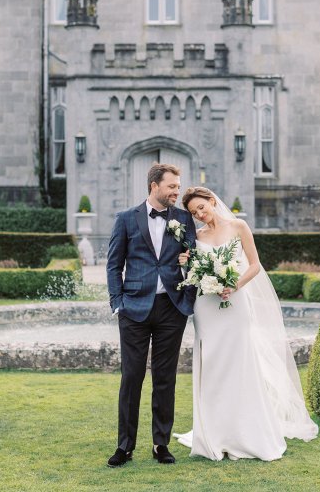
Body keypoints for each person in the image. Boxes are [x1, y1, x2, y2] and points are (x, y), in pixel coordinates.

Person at [174, 186, 318, 461]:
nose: (200, 215)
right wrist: (186, 262)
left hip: (235, 304)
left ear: (212, 201)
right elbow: (192, 274)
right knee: (212, 365)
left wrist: (234, 285)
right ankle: (214, 432)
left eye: (202, 208)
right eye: (194, 213)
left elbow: (254, 265)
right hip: (206, 306)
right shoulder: (196, 236)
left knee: (240, 363)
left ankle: (245, 431)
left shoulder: (239, 226)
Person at [106, 164, 196, 467]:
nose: (176, 191)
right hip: (134, 308)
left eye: (178, 186)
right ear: (154, 186)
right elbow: (113, 265)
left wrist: (188, 299)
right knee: (131, 376)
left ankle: (161, 444)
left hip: (172, 308)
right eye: (172, 186)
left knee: (165, 378)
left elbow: (194, 260)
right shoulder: (125, 219)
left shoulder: (184, 219)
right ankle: (125, 446)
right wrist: (117, 302)